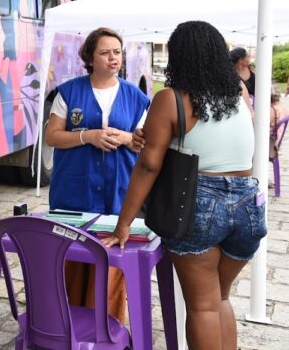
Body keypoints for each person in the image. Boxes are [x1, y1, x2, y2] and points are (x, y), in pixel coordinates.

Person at [104, 21, 266, 349]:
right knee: (220, 298)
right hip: (249, 203)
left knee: (202, 305)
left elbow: (149, 165)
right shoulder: (239, 93)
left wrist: (123, 226)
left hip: (201, 203)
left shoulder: (171, 98)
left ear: (179, 57)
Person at [44, 27, 150, 323]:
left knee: (113, 261)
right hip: (74, 191)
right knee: (71, 258)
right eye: (105, 52)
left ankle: (109, 329)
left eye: (117, 52)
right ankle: (67, 326)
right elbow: (52, 136)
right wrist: (87, 136)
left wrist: (127, 138)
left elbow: (144, 142)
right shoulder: (70, 91)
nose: (113, 58)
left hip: (118, 190)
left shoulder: (135, 97)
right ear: (90, 58)